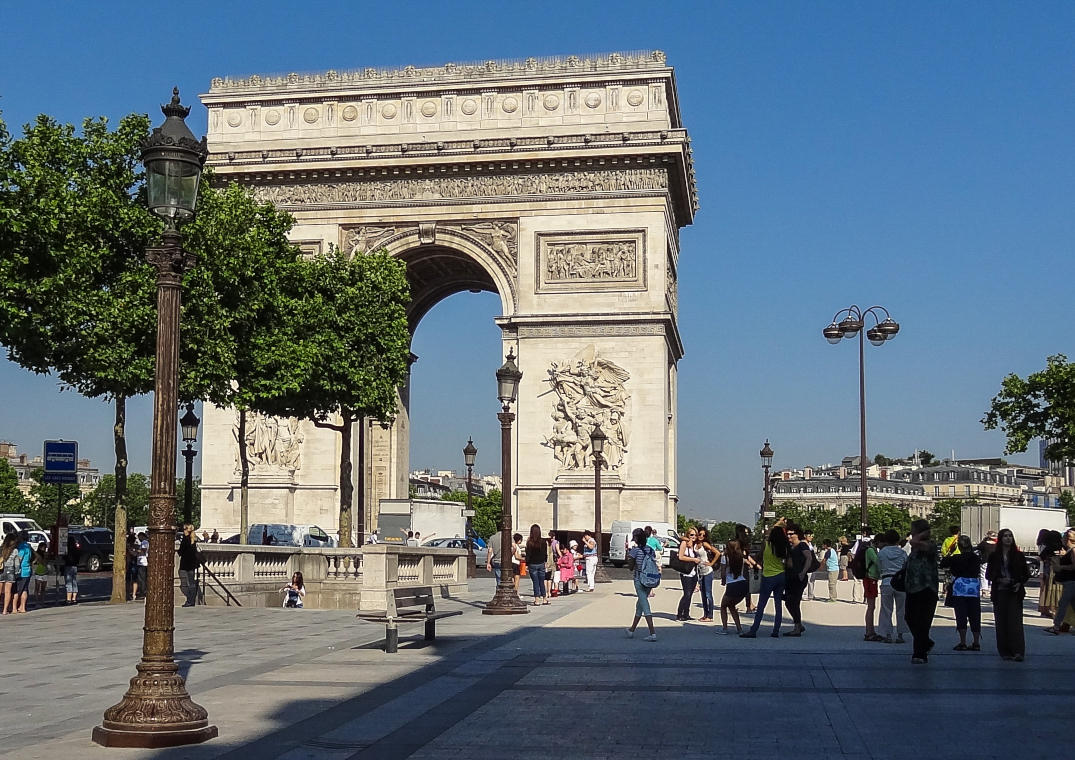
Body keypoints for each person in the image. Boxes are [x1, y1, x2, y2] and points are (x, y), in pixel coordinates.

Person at [985, 528, 1029, 661]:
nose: (1008, 538)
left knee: (1015, 623)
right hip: (1000, 591)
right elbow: (989, 574)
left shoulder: (1018, 555)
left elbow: (1025, 574)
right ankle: (1005, 651)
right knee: (1001, 622)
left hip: (1014, 591)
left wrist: (1018, 582)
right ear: (1001, 538)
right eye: (1005, 536)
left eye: (1010, 536)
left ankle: (1018, 651)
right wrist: (999, 579)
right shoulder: (994, 556)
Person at [741, 519, 789, 638]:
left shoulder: (766, 544)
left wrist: (754, 564)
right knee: (778, 604)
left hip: (768, 576)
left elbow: (758, 556)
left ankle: (754, 630)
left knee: (762, 604)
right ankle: (776, 630)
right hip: (781, 575)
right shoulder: (784, 546)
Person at [904, 520, 940, 664]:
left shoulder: (930, 545)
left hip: (927, 588)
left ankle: (919, 654)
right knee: (910, 617)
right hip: (912, 587)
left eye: (913, 530)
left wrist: (921, 535)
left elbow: (914, 543)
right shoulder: (914, 548)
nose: (911, 532)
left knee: (923, 622)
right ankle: (925, 643)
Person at [940, 535, 982, 651]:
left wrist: (950, 551)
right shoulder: (976, 558)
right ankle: (976, 642)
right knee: (975, 614)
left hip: (959, 587)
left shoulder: (956, 558)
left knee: (961, 614)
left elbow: (942, 563)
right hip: (973, 587)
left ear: (959, 546)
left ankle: (962, 642)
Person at [625, 527, 658, 641]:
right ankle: (631, 630)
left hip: (639, 579)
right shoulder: (650, 550)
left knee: (644, 605)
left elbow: (630, 567)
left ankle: (652, 633)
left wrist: (628, 556)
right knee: (640, 605)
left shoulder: (634, 551)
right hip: (649, 579)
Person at [877, 529, 909, 644]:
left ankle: (887, 634)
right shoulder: (903, 553)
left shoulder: (882, 553)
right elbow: (906, 567)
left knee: (886, 610)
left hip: (886, 581)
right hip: (900, 582)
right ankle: (901, 635)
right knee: (902, 610)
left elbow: (878, 567)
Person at [716, 533, 749, 635]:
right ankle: (739, 628)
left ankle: (725, 628)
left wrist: (723, 580)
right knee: (731, 606)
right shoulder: (741, 556)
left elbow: (722, 571)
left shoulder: (725, 557)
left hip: (732, 584)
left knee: (723, 606)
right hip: (743, 583)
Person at [1044, 528, 1075, 635]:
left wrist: (1061, 567)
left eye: (1065, 536)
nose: (1063, 538)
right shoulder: (1069, 550)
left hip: (1071, 581)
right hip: (1068, 581)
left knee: (1063, 603)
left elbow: (1074, 566)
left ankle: (1056, 626)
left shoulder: (1073, 550)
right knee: (1072, 604)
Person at [782, 524, 811, 637]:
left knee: (794, 601)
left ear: (797, 534)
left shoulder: (802, 545)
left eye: (791, 534)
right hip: (789, 576)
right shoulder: (790, 546)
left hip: (799, 577)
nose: (789, 536)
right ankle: (798, 624)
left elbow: (809, 558)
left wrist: (803, 572)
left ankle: (797, 627)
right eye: (787, 534)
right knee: (789, 602)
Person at [675, 527, 701, 621]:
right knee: (687, 594)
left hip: (693, 572)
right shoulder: (684, 543)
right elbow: (681, 557)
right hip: (685, 572)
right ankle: (679, 614)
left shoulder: (694, 544)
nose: (693, 537)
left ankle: (686, 613)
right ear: (688, 535)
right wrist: (693, 559)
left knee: (690, 594)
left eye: (695, 535)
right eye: (691, 535)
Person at [695, 527, 720, 622]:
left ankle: (710, 615)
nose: (701, 536)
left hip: (708, 571)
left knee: (708, 594)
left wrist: (711, 563)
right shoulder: (695, 543)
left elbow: (717, 553)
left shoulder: (705, 544)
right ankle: (705, 614)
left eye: (703, 535)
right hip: (700, 572)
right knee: (703, 594)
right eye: (700, 534)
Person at [1038, 530, 1063, 619]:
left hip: (1049, 571)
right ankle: (1055, 609)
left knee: (1048, 590)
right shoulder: (1062, 547)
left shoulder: (1047, 548)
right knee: (1058, 591)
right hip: (1060, 572)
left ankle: (1047, 609)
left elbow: (1041, 558)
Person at [862, 534, 882, 641]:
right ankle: (869, 632)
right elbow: (878, 562)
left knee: (872, 606)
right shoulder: (870, 550)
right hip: (870, 578)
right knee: (871, 606)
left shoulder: (872, 550)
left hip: (872, 578)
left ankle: (870, 631)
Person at [177, 523, 201, 607]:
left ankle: (190, 600)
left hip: (186, 563)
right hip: (193, 564)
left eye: (184, 529)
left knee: (188, 583)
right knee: (192, 583)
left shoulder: (185, 539)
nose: (183, 531)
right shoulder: (193, 539)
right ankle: (192, 600)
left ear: (187, 530)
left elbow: (181, 551)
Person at [525, 524, 548, 606]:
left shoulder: (529, 542)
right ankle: (545, 598)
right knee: (542, 581)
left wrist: (527, 564)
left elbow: (528, 554)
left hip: (532, 564)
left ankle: (537, 599)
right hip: (541, 563)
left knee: (535, 582)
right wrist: (545, 561)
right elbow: (545, 553)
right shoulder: (543, 541)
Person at [13, 530, 32, 613]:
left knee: (17, 590)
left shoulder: (22, 547)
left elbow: (19, 559)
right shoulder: (28, 546)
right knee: (25, 589)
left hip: (21, 570)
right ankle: (22, 607)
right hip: (28, 569)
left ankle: (14, 608)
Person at [0, 533, 18, 614]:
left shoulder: (1, 549)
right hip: (10, 571)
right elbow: (16, 564)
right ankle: (5, 610)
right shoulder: (15, 550)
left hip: (1, 570)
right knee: (8, 592)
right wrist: (17, 572)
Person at [63, 534, 79, 605]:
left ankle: (68, 599)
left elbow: (64, 558)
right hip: (75, 566)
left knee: (69, 582)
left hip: (68, 566)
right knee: (74, 582)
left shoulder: (67, 550)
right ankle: (74, 598)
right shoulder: (76, 549)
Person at [134, 532, 149, 601]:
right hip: (142, 562)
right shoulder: (144, 542)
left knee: (142, 578)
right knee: (142, 578)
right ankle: (143, 591)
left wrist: (137, 550)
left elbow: (143, 550)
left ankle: (143, 592)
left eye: (139, 537)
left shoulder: (144, 542)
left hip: (143, 562)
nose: (139, 539)